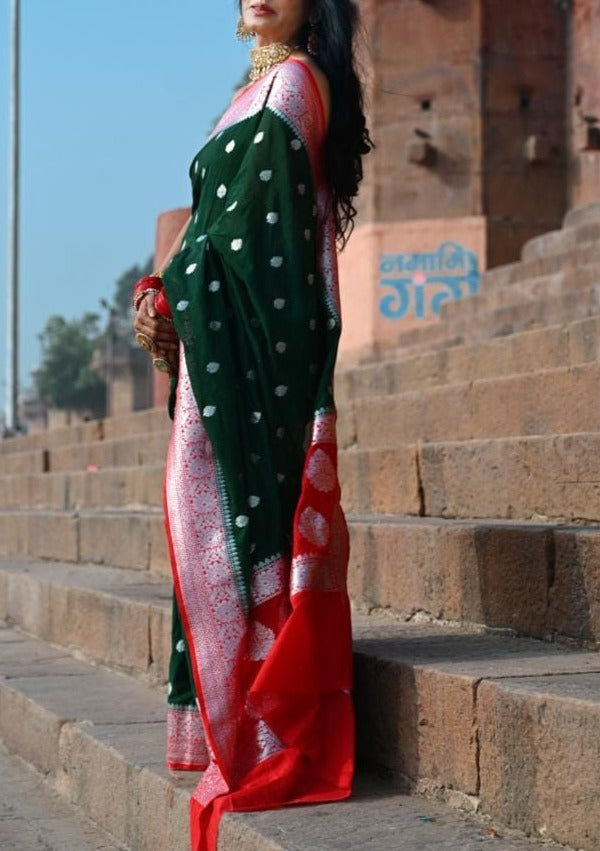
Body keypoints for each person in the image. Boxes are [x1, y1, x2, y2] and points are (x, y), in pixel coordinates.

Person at [133, 2, 372, 849]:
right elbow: (210, 227)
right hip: (220, 347)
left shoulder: (297, 86)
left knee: (233, 524)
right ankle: (224, 715)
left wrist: (173, 289)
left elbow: (251, 237)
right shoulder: (250, 93)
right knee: (210, 525)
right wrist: (160, 300)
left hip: (257, 344)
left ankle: (264, 728)